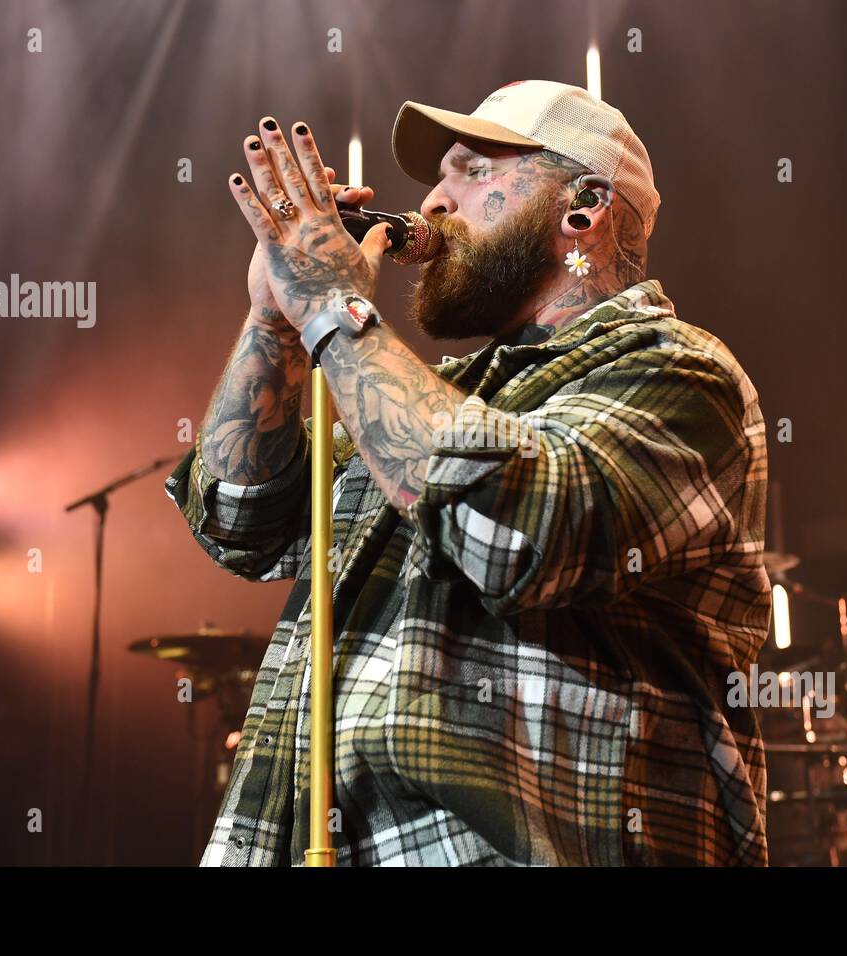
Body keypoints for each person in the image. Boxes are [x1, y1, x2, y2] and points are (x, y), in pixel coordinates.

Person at [166, 79, 772, 865]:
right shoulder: (437, 400)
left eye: (472, 171)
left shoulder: (682, 375)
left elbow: (519, 531)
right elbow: (240, 518)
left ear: (583, 207)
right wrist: (274, 324)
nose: (435, 202)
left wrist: (331, 311)